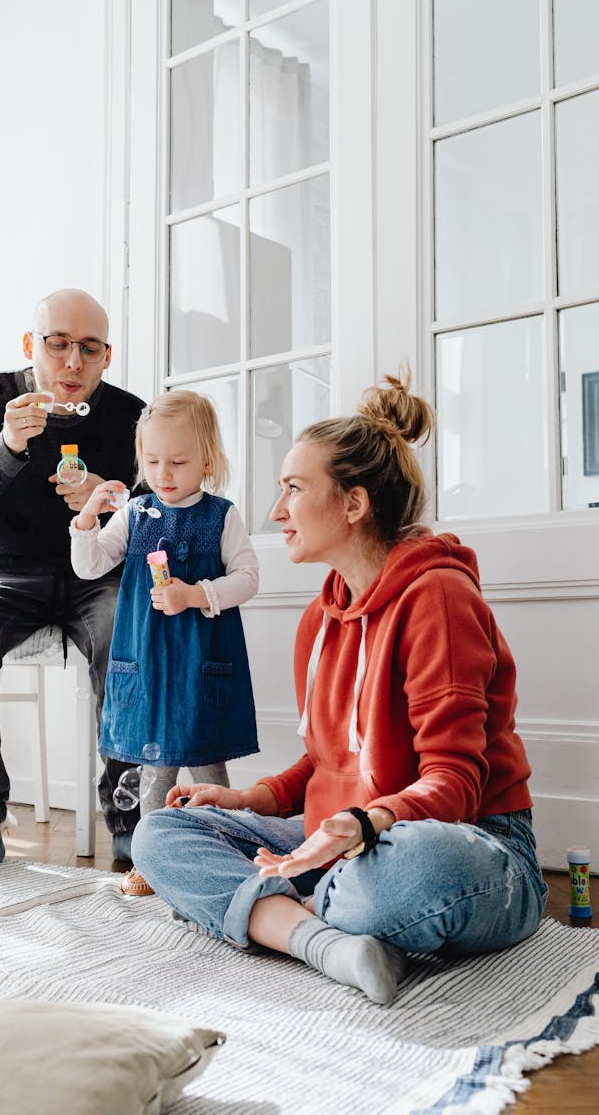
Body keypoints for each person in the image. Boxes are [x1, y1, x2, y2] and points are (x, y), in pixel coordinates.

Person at [130, 367, 547, 1005]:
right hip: (343, 838)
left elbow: (457, 785)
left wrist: (362, 824)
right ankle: (323, 941)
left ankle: (282, 905)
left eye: (295, 488)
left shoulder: (438, 597)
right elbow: (327, 761)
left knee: (410, 871)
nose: (276, 512)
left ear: (353, 504)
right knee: (160, 834)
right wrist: (247, 799)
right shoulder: (321, 619)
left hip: (466, 843)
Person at [0, 288, 146, 882]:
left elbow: (158, 520)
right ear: (30, 345)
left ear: (107, 356)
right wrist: (6, 447)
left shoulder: (131, 416)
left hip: (95, 572)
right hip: (3, 575)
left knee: (126, 627)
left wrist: (112, 500)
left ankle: (128, 826)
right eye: (59, 344)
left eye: (89, 349)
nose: (73, 363)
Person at [71, 390, 260, 896]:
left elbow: (248, 578)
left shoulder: (222, 516)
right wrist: (87, 518)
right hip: (149, 664)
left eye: (177, 462)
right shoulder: (135, 513)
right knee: (154, 770)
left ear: (207, 462)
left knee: (207, 764)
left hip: (200, 663)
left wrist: (196, 594)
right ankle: (151, 863)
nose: (163, 473)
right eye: (152, 461)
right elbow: (89, 565)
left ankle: (220, 857)